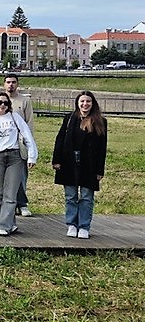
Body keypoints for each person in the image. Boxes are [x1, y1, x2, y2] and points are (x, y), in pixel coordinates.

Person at [0, 92, 37, 236]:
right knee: (0, 194)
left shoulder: (14, 117)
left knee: (10, 194)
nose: (2, 105)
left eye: (5, 103)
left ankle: (3, 225)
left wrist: (32, 156)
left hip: (14, 156)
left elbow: (27, 135)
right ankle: (11, 223)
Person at [52, 91, 107, 240]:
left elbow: (102, 147)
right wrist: (56, 160)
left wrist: (100, 169)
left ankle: (84, 226)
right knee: (70, 196)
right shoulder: (70, 119)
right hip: (69, 161)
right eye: (82, 101)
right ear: (77, 103)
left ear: (92, 103)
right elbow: (60, 139)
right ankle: (71, 224)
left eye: (88, 101)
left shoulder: (100, 121)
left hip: (89, 163)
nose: (85, 104)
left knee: (86, 197)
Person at [4, 74, 35, 217]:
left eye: (13, 82)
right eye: (8, 82)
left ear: (17, 84)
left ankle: (22, 204)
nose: (11, 85)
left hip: (20, 144)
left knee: (21, 176)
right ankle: (11, 203)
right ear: (4, 84)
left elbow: (29, 123)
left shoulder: (25, 100)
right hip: (3, 144)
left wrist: (29, 144)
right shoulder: (0, 100)